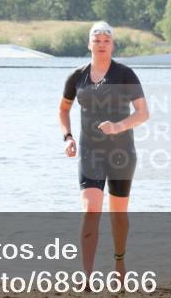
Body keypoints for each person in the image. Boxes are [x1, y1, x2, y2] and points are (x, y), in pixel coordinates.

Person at [60, 21, 150, 277]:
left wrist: (119, 126)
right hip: (90, 152)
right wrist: (67, 137)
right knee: (91, 210)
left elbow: (143, 113)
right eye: (96, 40)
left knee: (118, 215)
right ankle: (86, 274)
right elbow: (63, 109)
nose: (101, 45)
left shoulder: (125, 75)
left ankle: (119, 262)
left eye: (106, 41)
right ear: (89, 44)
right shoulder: (77, 77)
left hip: (121, 154)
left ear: (112, 45)